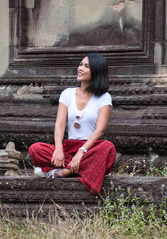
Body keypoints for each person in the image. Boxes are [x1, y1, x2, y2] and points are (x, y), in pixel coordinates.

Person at [28, 53, 116, 195]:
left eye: (86, 66)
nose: (80, 68)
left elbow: (100, 130)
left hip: (90, 148)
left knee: (108, 148)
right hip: (68, 149)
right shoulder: (67, 94)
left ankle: (64, 172)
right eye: (80, 64)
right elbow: (60, 124)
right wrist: (58, 149)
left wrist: (81, 152)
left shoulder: (104, 97)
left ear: (96, 71)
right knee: (35, 149)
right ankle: (86, 170)